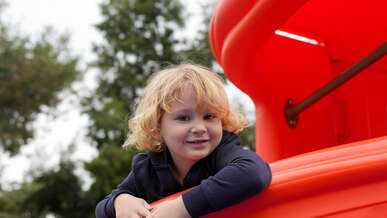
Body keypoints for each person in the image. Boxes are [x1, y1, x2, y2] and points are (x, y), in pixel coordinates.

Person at [95, 63, 272, 218]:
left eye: (209, 116)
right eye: (184, 118)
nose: (200, 127)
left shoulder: (222, 150)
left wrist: (182, 206)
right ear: (156, 129)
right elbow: (102, 208)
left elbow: (253, 172)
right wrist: (120, 201)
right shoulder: (148, 168)